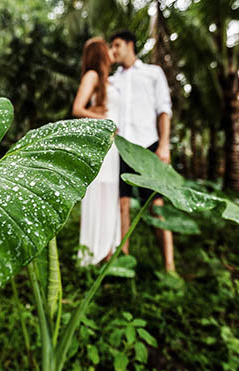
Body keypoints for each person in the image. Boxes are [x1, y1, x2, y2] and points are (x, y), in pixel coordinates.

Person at [109, 29, 176, 274]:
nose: (113, 51)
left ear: (129, 45)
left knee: (155, 205)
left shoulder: (152, 73)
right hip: (120, 148)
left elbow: (164, 110)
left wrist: (164, 144)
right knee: (122, 204)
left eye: (116, 45)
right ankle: (124, 262)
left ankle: (170, 267)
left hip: (149, 146)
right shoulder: (112, 81)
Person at [72, 37, 121, 266]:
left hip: (114, 147)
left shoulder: (108, 81)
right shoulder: (91, 76)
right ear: (100, 53)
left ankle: (108, 251)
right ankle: (93, 253)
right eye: (108, 48)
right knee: (98, 191)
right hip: (100, 144)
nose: (113, 52)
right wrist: (103, 118)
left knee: (110, 192)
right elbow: (77, 108)